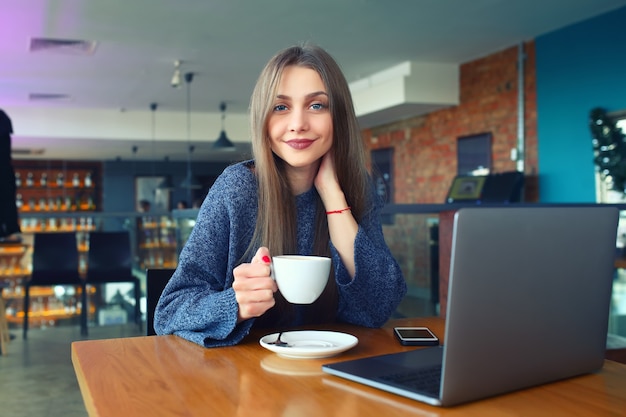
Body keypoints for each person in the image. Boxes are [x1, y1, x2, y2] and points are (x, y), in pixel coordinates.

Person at [154, 44, 406, 347]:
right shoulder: (237, 189)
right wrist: (235, 304)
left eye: (317, 106)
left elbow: (377, 308)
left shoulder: (356, 186)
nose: (298, 124)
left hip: (332, 372)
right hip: (245, 379)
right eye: (281, 107)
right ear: (263, 119)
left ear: (338, 117)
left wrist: (331, 194)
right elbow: (169, 311)